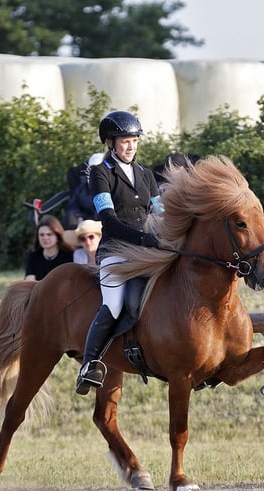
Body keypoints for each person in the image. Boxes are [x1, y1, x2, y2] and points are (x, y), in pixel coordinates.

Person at [75, 110, 161, 395]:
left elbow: (160, 210)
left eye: (135, 141)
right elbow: (108, 219)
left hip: (146, 250)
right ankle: (90, 364)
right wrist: (142, 238)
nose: (131, 147)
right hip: (115, 251)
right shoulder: (100, 174)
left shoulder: (146, 174)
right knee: (114, 304)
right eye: (125, 141)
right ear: (110, 143)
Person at [23, 214, 73, 280]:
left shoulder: (69, 256)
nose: (45, 238)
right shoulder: (33, 257)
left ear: (57, 236)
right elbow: (30, 281)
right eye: (41, 235)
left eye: (49, 234)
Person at [62, 152, 103, 229]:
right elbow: (72, 207)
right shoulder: (82, 189)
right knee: (70, 217)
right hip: (84, 224)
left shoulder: (116, 187)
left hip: (107, 223)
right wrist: (78, 217)